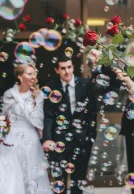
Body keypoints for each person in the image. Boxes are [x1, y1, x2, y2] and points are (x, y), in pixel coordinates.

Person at [0, 64, 51, 194]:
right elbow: (3, 117)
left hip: (30, 138)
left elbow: (38, 118)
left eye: (34, 73)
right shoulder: (9, 94)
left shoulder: (38, 94)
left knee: (30, 175)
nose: (33, 76)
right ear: (20, 76)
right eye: (29, 74)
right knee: (7, 171)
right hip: (11, 138)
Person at [42, 55, 97, 194]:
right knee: (59, 180)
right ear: (57, 70)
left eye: (69, 67)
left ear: (73, 67)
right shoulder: (51, 87)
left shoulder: (85, 84)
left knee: (78, 182)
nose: (66, 71)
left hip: (82, 140)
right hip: (59, 141)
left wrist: (90, 136)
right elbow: (48, 116)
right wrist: (47, 138)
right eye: (63, 68)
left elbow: (92, 112)